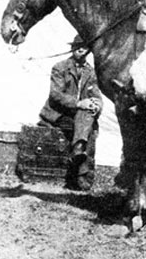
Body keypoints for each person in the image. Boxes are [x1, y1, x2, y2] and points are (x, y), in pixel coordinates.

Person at [38, 34, 103, 190]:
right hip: (58, 113)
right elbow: (55, 95)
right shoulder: (60, 67)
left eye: (85, 47)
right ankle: (82, 176)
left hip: (79, 116)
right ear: (72, 48)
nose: (81, 49)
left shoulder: (91, 72)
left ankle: (78, 151)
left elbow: (97, 96)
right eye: (78, 46)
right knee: (87, 123)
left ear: (89, 51)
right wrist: (79, 103)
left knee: (89, 116)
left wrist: (96, 105)